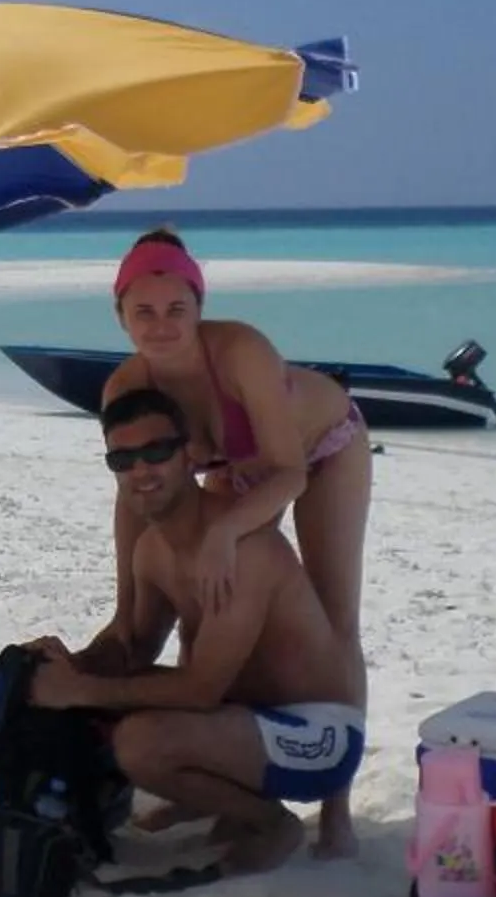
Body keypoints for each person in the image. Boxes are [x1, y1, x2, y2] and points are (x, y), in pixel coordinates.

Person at [29, 388, 364, 869]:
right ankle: (220, 802)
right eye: (123, 460)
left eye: (156, 452)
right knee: (114, 709)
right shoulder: (152, 550)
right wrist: (70, 662)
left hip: (320, 737)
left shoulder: (244, 549)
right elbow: (135, 648)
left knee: (140, 742)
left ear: (189, 457)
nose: (141, 470)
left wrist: (77, 689)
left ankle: (269, 823)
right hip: (247, 720)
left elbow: (202, 690)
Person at [99, 227, 372, 690]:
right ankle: (214, 717)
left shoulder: (241, 352)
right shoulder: (125, 389)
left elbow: (289, 474)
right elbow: (133, 492)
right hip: (240, 469)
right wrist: (125, 608)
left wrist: (225, 530)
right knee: (206, 600)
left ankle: (339, 731)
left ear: (199, 310)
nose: (161, 325)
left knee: (334, 613)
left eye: (176, 310)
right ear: (121, 316)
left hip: (324, 449)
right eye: (144, 311)